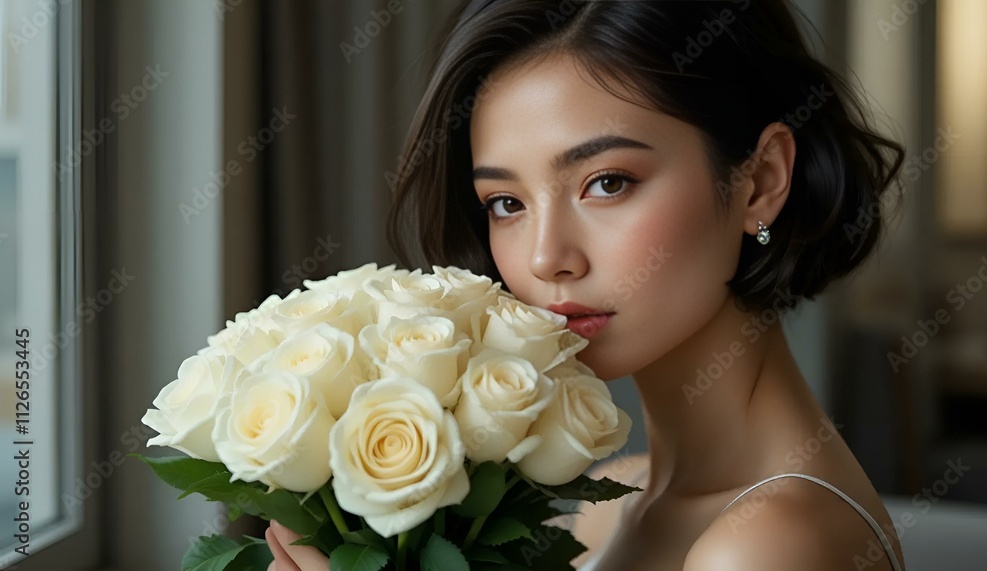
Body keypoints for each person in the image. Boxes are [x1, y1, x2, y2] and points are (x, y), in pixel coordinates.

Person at [266, 0, 907, 569]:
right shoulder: (609, 498)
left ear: (761, 180)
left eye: (606, 182)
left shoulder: (765, 545)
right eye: (506, 203)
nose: (547, 258)